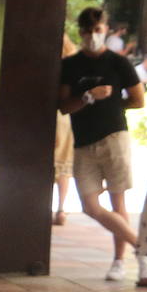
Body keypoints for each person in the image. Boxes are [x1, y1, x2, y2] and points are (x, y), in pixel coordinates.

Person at [59, 6, 146, 282]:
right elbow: (63, 106)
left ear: (105, 29)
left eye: (97, 30)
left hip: (113, 136)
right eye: (86, 31)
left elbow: (138, 99)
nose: (92, 36)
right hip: (84, 140)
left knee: (117, 199)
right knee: (89, 205)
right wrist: (89, 97)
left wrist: (113, 103)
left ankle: (120, 261)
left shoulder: (118, 63)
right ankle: (141, 247)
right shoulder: (70, 65)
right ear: (80, 32)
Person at [53, 37, 79, 226]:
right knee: (63, 166)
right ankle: (61, 209)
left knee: (46, 164)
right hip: (67, 117)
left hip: (47, 115)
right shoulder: (73, 64)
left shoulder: (46, 64)